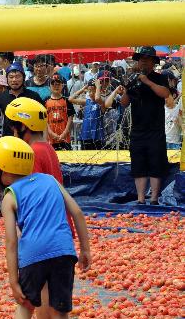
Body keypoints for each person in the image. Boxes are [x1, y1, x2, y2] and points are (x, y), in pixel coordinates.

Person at [0, 136, 91, 319]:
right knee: (60, 312)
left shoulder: (9, 195)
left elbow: (11, 240)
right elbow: (76, 211)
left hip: (32, 255)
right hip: (63, 251)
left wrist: (13, 279)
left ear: (3, 169)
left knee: (24, 307)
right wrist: (85, 249)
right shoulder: (50, 181)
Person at [116, 47, 171, 205]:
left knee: (156, 162)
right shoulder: (132, 78)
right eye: (141, 59)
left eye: (147, 59)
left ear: (153, 62)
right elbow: (124, 103)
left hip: (156, 129)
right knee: (138, 163)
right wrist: (127, 88)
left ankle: (153, 198)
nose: (144, 61)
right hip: (137, 130)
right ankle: (140, 199)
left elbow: (165, 94)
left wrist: (147, 81)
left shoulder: (160, 78)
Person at [0, 63, 44, 146]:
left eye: (17, 76)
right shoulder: (0, 97)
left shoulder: (34, 96)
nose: (14, 80)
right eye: (11, 77)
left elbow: (43, 120)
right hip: (8, 142)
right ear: (7, 79)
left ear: (23, 78)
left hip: (30, 142)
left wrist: (44, 140)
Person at [69, 80, 106, 150]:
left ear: (98, 90)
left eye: (93, 90)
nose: (91, 93)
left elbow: (97, 98)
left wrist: (98, 86)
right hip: (85, 136)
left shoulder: (101, 102)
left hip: (97, 136)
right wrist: (82, 89)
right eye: (89, 90)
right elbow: (71, 99)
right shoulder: (86, 102)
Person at [45, 73, 75, 150]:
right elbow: (44, 120)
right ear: (50, 86)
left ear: (62, 86)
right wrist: (51, 133)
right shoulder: (45, 101)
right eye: (53, 84)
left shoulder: (66, 101)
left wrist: (64, 133)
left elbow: (70, 119)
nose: (56, 86)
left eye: (58, 84)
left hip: (65, 138)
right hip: (51, 139)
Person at [164, 84, 182, 150]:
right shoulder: (162, 109)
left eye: (166, 97)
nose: (165, 99)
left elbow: (182, 125)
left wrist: (179, 122)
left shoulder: (179, 109)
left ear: (174, 95)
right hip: (163, 142)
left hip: (175, 143)